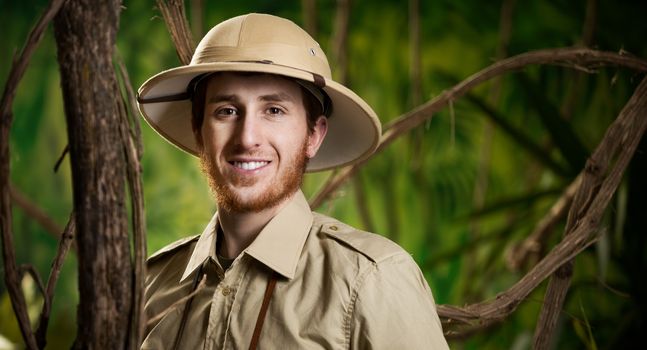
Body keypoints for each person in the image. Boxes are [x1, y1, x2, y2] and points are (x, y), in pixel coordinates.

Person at [137, 13, 448, 350]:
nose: (247, 137)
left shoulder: (371, 280)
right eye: (226, 111)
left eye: (274, 110)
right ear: (199, 131)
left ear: (314, 135)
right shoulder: (152, 284)